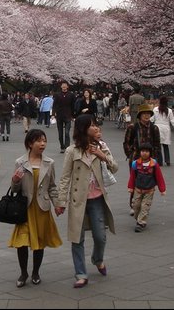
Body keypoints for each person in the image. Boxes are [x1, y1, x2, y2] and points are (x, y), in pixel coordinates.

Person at [57, 114, 118, 288]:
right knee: (77, 238)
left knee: (101, 236)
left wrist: (102, 155)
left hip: (97, 199)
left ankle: (97, 259)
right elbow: (65, 177)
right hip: (78, 200)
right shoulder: (72, 151)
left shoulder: (101, 147)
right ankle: (81, 274)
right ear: (84, 129)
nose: (96, 128)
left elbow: (115, 167)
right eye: (92, 125)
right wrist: (61, 202)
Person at [9, 129, 63, 288]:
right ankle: (23, 272)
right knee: (22, 242)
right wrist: (15, 180)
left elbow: (52, 187)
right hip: (24, 209)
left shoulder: (49, 163)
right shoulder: (20, 162)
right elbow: (14, 189)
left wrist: (57, 204)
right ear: (30, 143)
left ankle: (36, 272)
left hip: (41, 208)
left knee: (39, 242)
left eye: (44, 141)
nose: (43, 144)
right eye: (39, 141)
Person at [128, 143, 167, 232]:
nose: (144, 153)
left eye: (146, 151)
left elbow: (159, 177)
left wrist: (162, 189)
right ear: (140, 152)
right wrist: (130, 187)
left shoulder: (154, 164)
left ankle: (141, 223)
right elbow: (132, 177)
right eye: (142, 151)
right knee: (136, 206)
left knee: (145, 206)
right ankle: (139, 218)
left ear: (150, 153)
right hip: (138, 189)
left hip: (149, 190)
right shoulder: (135, 164)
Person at [152, 96, 174, 166]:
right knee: (165, 145)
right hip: (166, 129)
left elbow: (152, 119)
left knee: (158, 146)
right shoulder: (169, 110)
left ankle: (160, 161)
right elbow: (172, 121)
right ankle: (167, 160)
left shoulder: (155, 109)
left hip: (157, 128)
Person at [52, 82, 75, 153]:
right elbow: (54, 105)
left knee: (67, 132)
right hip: (59, 115)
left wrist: (73, 115)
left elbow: (73, 105)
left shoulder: (71, 95)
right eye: (63, 86)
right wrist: (53, 114)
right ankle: (62, 146)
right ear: (61, 87)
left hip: (68, 115)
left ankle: (67, 147)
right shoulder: (57, 95)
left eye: (65, 86)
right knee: (60, 133)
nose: (64, 87)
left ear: (67, 87)